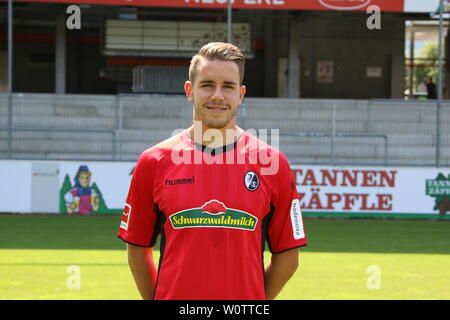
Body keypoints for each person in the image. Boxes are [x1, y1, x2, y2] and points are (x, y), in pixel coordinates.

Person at [117, 42, 307, 300]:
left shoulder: (273, 164)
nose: (217, 95)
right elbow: (137, 250)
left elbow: (288, 257)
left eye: (228, 86)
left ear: (240, 94)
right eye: (207, 85)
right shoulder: (153, 162)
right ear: (189, 91)